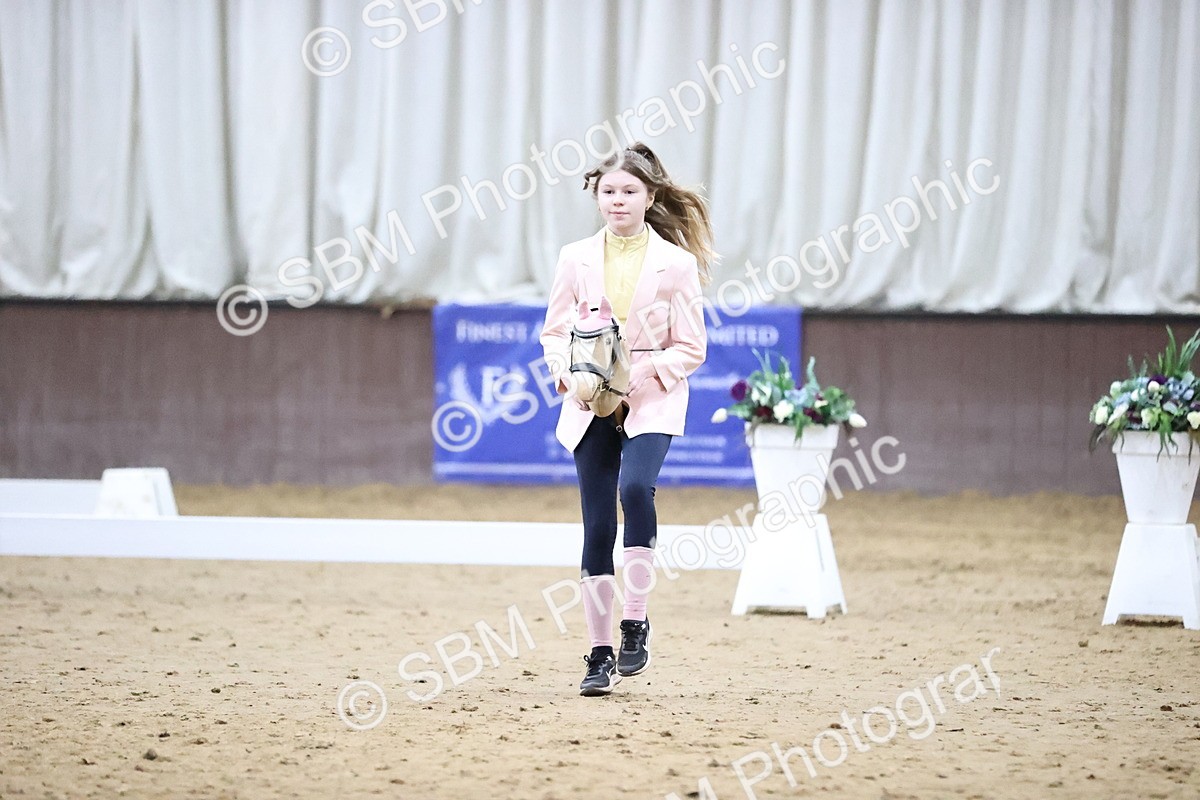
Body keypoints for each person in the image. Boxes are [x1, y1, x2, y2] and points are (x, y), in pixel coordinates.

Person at [540, 142, 716, 696]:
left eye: (628, 191)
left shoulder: (676, 265)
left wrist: (641, 375)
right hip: (589, 397)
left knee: (636, 488)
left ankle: (634, 621)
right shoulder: (574, 257)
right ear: (597, 197)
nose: (617, 200)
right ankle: (598, 654)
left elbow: (692, 345)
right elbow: (554, 333)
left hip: (651, 395)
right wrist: (569, 376)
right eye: (608, 191)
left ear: (650, 196)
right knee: (597, 527)